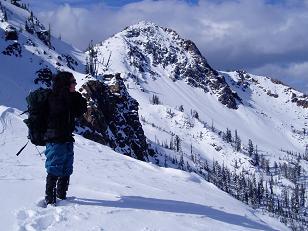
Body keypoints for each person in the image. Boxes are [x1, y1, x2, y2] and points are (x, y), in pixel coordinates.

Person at [44, 71, 87, 205]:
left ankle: (62, 196)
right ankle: (50, 200)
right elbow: (59, 111)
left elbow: (80, 111)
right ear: (65, 84)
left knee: (67, 168)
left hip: (67, 138)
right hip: (55, 138)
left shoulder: (70, 97)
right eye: (73, 82)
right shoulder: (55, 98)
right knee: (55, 168)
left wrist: (75, 96)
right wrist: (70, 97)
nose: (75, 84)